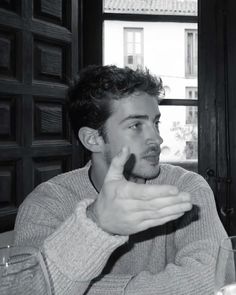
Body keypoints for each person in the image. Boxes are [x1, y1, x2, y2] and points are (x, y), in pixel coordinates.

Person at [14, 65, 227, 295]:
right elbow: (25, 290)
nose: (157, 138)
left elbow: (214, 278)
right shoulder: (46, 203)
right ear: (93, 139)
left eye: (155, 123)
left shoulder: (186, 187)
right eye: (136, 125)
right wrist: (96, 222)